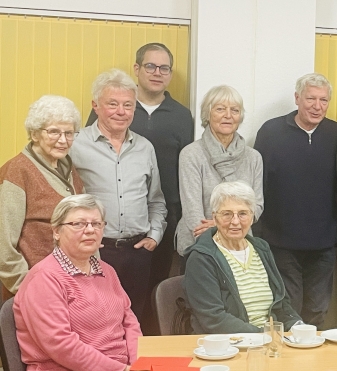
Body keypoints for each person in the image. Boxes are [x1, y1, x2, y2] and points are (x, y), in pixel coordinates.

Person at [13, 194, 142, 371]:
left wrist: (139, 360)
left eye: (96, 223)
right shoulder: (45, 278)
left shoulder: (106, 270)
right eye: (79, 223)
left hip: (111, 368)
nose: (90, 230)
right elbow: (62, 347)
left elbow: (128, 319)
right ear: (56, 231)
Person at [0, 95, 84, 371]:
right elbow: (3, 244)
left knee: (70, 367)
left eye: (69, 132)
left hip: (70, 289)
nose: (62, 139)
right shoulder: (16, 171)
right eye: (53, 132)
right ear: (35, 133)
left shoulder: (68, 168)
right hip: (35, 293)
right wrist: (29, 292)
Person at [87, 43, 194, 321]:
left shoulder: (178, 119)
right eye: (150, 66)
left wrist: (156, 232)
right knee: (97, 312)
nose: (121, 111)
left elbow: (172, 182)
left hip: (152, 231)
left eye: (164, 68)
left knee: (145, 306)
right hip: (98, 241)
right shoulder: (83, 139)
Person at [70, 69, 167, 328]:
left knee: (134, 322)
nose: (121, 112)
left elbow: (156, 199)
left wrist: (154, 235)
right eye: (112, 104)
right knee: (95, 323)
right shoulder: (75, 145)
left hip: (138, 253)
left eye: (128, 105)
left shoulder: (145, 147)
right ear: (95, 106)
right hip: (95, 252)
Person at [254, 73, 337, 329]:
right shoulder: (270, 132)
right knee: (288, 312)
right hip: (280, 241)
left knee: (317, 311)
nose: (317, 106)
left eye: (323, 100)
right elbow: (258, 184)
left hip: (324, 243)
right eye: (311, 99)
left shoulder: (336, 133)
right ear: (297, 98)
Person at [183, 182, 303, 333]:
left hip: (269, 339)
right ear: (215, 217)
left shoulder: (261, 248)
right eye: (227, 214)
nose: (235, 221)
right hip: (228, 343)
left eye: (243, 214)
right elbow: (213, 319)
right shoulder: (201, 258)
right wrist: (264, 336)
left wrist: (298, 327)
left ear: (252, 217)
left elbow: (282, 305)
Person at [175, 85, 263, 263]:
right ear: (207, 114)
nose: (228, 115)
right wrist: (220, 234)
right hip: (199, 246)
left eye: (234, 110)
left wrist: (221, 224)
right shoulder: (191, 154)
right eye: (220, 109)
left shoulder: (253, 157)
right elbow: (193, 211)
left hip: (241, 247)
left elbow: (257, 206)